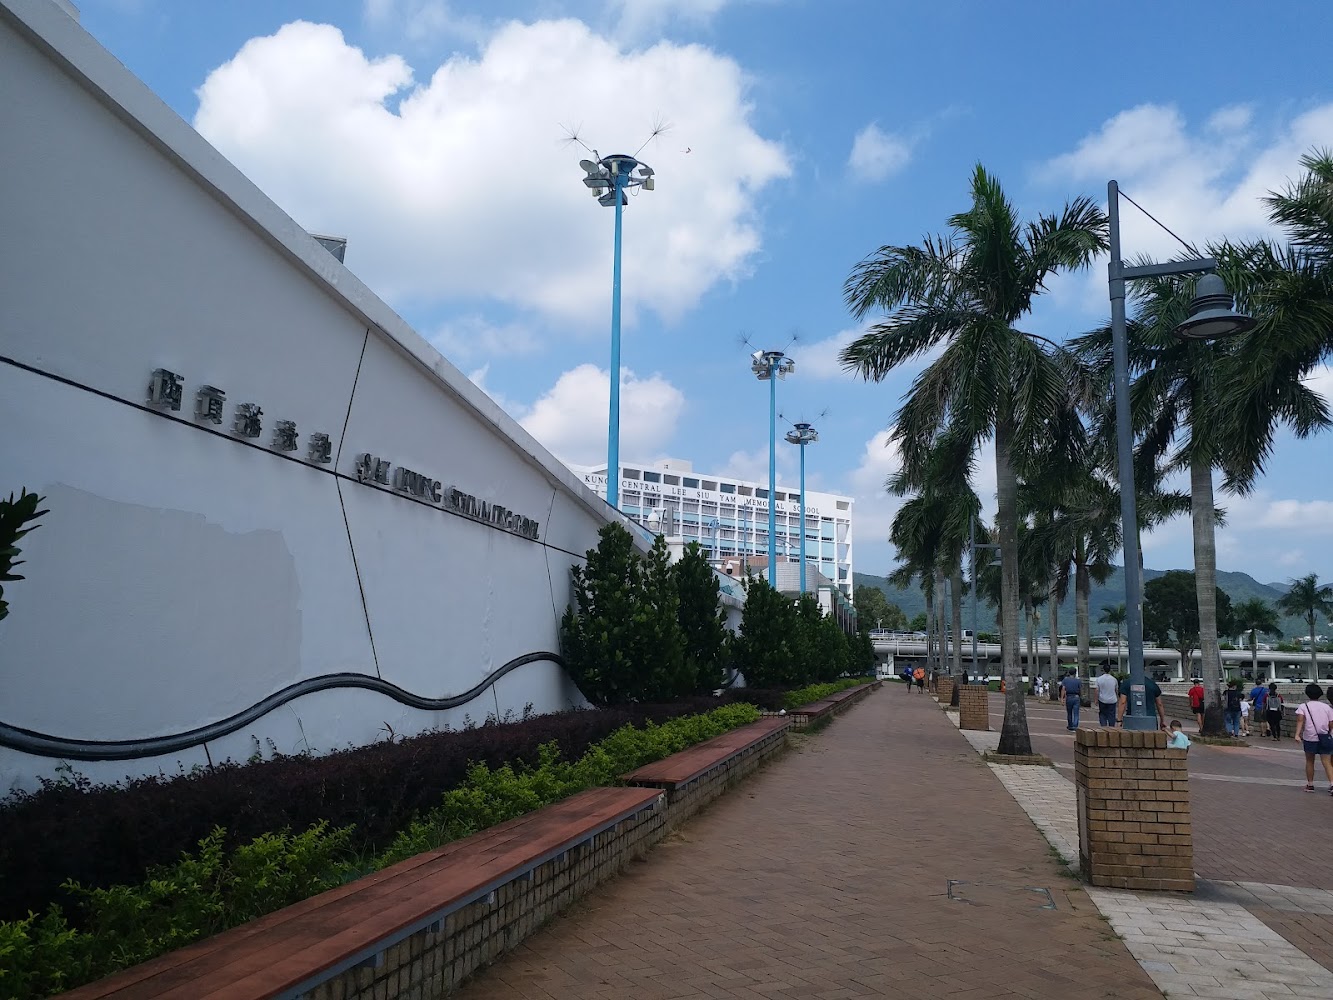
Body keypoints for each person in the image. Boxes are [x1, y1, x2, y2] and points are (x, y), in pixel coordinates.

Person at [1293, 683, 1333, 794]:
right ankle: (1332, 784)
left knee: (1310, 761)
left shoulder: (1303, 706)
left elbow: (1300, 720)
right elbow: (1331, 724)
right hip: (1324, 736)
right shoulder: (1327, 707)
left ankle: (1310, 785)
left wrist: (1297, 734)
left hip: (1310, 736)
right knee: (1327, 762)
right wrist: (1327, 733)